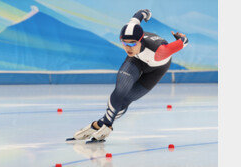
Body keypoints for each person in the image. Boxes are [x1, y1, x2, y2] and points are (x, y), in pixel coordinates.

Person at [67, 9, 189, 143]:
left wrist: (180, 38)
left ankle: (99, 124)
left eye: (132, 43)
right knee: (121, 90)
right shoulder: (131, 31)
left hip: (157, 68)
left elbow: (184, 41)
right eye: (124, 43)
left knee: (127, 100)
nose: (128, 47)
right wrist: (146, 13)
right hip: (136, 60)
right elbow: (139, 15)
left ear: (140, 40)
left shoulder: (161, 51)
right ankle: (105, 125)